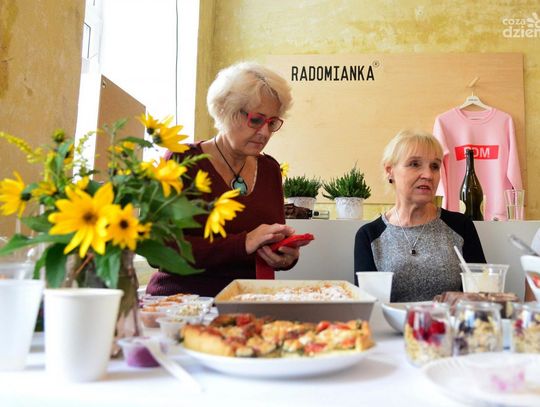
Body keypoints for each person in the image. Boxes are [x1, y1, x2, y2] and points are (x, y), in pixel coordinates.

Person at [147, 62, 299, 297]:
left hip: (248, 302)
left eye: (272, 123)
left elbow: (270, 242)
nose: (265, 133)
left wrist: (285, 256)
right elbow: (158, 251)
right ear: (225, 111)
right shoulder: (182, 161)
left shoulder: (270, 170)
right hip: (182, 303)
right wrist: (243, 243)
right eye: (256, 120)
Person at [354, 130, 486, 302]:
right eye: (415, 164)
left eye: (435, 166)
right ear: (390, 171)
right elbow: (366, 306)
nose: (428, 175)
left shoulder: (461, 226)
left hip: (449, 319)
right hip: (390, 320)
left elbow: (483, 295)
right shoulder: (369, 235)